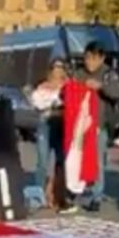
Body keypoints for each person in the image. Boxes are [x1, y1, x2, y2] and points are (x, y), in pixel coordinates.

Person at [69, 41, 119, 213]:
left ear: (101, 58)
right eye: (87, 58)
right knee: (77, 158)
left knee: (97, 161)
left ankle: (96, 196)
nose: (89, 62)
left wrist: (101, 87)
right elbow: (69, 91)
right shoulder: (79, 73)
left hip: (99, 124)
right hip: (79, 125)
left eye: (93, 58)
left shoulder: (108, 74)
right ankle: (75, 189)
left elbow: (117, 93)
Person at [30, 59, 68, 211]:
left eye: (61, 68)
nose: (58, 71)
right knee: (42, 161)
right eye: (55, 68)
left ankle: (58, 194)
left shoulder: (67, 86)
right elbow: (38, 104)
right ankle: (38, 195)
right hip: (45, 125)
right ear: (50, 70)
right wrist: (53, 105)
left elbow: (70, 103)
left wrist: (56, 107)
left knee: (61, 160)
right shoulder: (42, 87)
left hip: (61, 125)